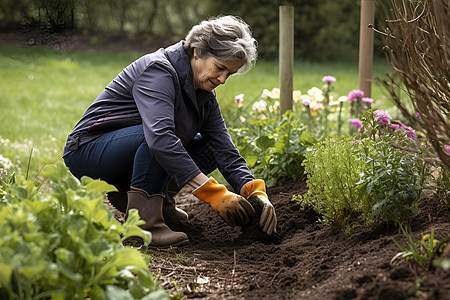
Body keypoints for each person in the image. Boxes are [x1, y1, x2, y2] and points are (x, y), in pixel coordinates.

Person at [62, 15, 277, 248]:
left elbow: (225, 150)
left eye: (230, 74)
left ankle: (157, 204)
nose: (223, 79)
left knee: (208, 146)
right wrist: (213, 193)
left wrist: (254, 192)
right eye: (220, 68)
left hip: (133, 150)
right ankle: (144, 226)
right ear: (197, 51)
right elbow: (160, 139)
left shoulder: (204, 96)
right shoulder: (159, 71)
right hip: (89, 150)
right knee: (160, 138)